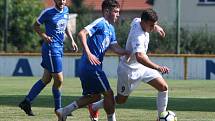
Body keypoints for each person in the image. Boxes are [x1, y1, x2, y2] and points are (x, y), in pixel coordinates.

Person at [88, 8, 170, 121]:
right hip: (128, 71)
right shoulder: (139, 36)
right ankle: (94, 106)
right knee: (121, 100)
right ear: (144, 22)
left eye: (153, 25)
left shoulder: (138, 21)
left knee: (163, 87)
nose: (152, 28)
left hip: (142, 68)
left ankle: (161, 117)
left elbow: (139, 21)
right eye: (151, 25)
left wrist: (156, 27)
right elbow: (140, 57)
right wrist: (158, 67)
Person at [55, 0, 129, 121]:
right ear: (106, 11)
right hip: (91, 67)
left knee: (94, 97)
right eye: (115, 11)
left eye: (118, 12)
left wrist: (128, 52)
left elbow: (115, 47)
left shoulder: (111, 29)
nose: (118, 14)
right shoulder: (101, 22)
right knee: (108, 94)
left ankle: (64, 111)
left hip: (89, 67)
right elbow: (81, 33)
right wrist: (88, 53)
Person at [18, 0, 78, 118]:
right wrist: (44, 36)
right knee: (59, 80)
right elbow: (36, 25)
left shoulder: (66, 10)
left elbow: (65, 26)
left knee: (46, 79)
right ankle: (59, 109)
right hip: (51, 49)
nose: (61, 1)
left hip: (59, 48)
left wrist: (71, 40)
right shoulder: (48, 12)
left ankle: (27, 102)